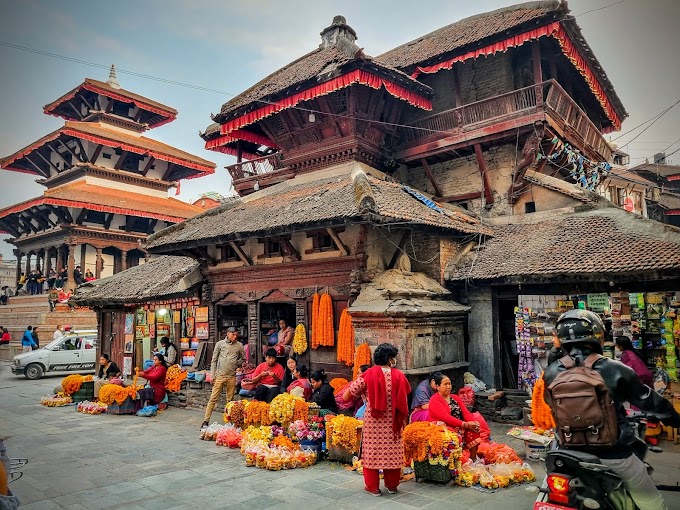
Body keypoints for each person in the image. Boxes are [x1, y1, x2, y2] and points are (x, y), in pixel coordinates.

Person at [544, 309, 680, 510]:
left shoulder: (551, 371)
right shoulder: (615, 369)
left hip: (568, 452)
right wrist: (674, 419)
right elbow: (650, 401)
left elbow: (551, 405)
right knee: (652, 503)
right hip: (614, 453)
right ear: (598, 334)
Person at [345, 343, 410, 496]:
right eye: (393, 358)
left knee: (371, 453)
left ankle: (373, 487)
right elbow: (406, 392)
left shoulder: (368, 374)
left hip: (373, 423)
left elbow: (348, 395)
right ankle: (392, 485)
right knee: (392, 452)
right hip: (393, 422)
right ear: (389, 359)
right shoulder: (399, 375)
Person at [427, 374, 483, 457]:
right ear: (438, 386)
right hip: (442, 427)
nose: (448, 387)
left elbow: (465, 412)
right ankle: (455, 461)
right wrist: (466, 424)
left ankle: (473, 459)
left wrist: (473, 423)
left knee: (474, 430)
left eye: (449, 384)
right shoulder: (434, 400)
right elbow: (445, 417)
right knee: (453, 436)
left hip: (458, 425)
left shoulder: (455, 398)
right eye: (445, 384)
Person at [201, 327, 245, 428]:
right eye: (233, 335)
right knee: (213, 398)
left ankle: (229, 421)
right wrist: (212, 374)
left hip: (231, 376)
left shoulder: (239, 346)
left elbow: (243, 358)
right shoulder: (220, 344)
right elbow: (214, 360)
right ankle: (205, 421)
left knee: (230, 400)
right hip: (220, 375)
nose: (235, 337)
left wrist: (235, 364)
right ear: (228, 334)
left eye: (236, 335)